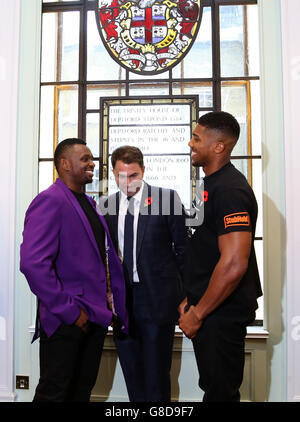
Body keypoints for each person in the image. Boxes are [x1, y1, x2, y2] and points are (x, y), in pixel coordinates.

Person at [20, 138, 128, 402]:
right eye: (85, 159)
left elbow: (99, 258)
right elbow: (33, 264)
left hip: (94, 317)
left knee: (80, 393)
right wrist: (71, 311)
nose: (93, 163)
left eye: (92, 158)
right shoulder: (49, 200)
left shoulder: (89, 204)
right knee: (54, 394)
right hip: (67, 318)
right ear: (65, 164)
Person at [179, 111, 262, 402]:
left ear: (218, 146)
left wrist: (198, 313)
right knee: (213, 389)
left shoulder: (230, 190)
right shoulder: (210, 184)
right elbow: (202, 248)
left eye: (197, 138)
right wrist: (190, 299)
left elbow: (234, 262)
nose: (190, 143)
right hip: (206, 308)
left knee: (220, 394)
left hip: (220, 314)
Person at [101, 146, 187, 402]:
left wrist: (186, 297)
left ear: (144, 171)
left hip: (158, 302)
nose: (127, 182)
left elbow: (184, 251)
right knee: (132, 375)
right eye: (121, 176)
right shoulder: (106, 205)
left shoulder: (168, 199)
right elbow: (103, 254)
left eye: (133, 175)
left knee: (157, 377)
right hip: (121, 304)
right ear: (113, 173)